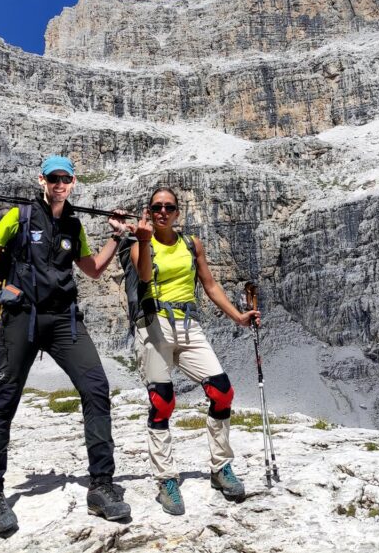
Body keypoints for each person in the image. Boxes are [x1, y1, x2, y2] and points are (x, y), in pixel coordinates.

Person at [0, 155, 132, 534]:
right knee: (6, 397)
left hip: (63, 319)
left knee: (97, 387)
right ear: (42, 180)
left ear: (73, 182)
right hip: (20, 316)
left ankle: (102, 486)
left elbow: (91, 269)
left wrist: (117, 235)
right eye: (53, 178)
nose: (59, 184)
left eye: (66, 178)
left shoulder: (74, 223)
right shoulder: (19, 217)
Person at [131, 187, 260, 515]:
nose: (163, 212)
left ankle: (221, 468)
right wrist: (145, 240)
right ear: (149, 211)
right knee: (162, 401)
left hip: (188, 325)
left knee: (222, 392)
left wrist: (239, 317)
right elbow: (144, 277)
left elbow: (210, 285)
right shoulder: (139, 244)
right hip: (153, 323)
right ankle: (166, 479)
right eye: (156, 206)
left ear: (177, 213)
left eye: (169, 207)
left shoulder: (191, 244)